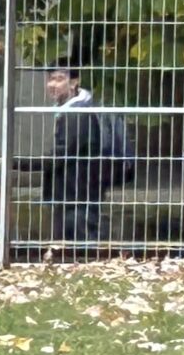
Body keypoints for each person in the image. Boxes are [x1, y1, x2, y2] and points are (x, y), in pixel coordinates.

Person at [42, 65, 131, 247]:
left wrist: (18, 163)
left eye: (59, 79)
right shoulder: (71, 109)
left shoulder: (78, 113)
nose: (53, 84)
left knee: (78, 248)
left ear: (74, 82)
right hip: (75, 194)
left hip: (77, 196)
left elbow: (62, 153)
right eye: (51, 79)